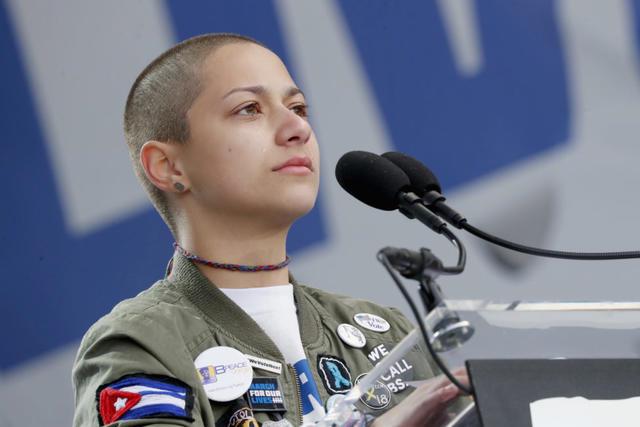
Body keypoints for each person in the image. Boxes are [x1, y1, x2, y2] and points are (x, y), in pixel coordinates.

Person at [72, 33, 468, 427]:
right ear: (168, 166)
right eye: (249, 109)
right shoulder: (142, 344)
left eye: (298, 107)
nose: (297, 128)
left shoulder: (391, 335)